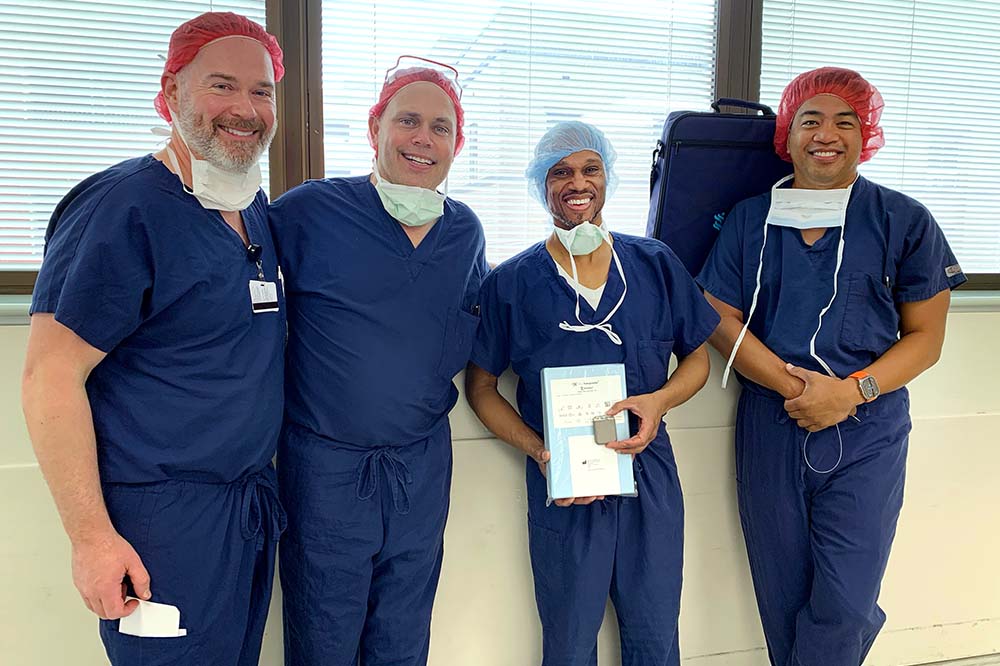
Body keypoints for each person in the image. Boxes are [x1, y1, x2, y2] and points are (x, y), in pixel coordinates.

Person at [21, 12, 286, 665]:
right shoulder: (121, 208)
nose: (245, 108)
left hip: (244, 510)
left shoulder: (253, 211)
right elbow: (49, 380)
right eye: (222, 86)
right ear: (169, 95)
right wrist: (91, 539)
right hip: (161, 523)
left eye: (262, 91)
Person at [697, 67, 967, 665]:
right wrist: (794, 386)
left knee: (846, 601)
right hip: (773, 422)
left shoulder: (904, 220)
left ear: (865, 134)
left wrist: (851, 392)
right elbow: (717, 313)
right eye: (809, 120)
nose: (826, 134)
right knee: (782, 591)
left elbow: (926, 338)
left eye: (845, 121)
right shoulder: (749, 220)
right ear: (787, 135)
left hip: (867, 428)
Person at [465, 121, 720, 665]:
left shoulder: (654, 263)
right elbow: (481, 387)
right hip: (565, 479)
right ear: (542, 184)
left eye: (589, 168)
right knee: (568, 637)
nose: (576, 182)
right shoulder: (511, 282)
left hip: (646, 469)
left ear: (607, 176)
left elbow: (697, 358)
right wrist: (539, 450)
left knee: (655, 633)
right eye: (560, 172)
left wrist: (659, 402)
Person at [269, 57, 488, 665]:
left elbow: (472, 322)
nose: (423, 138)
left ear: (456, 144)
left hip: (420, 467)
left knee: (403, 631)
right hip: (327, 470)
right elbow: (232, 270)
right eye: (408, 120)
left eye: (440, 128)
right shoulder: (311, 211)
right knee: (324, 632)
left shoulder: (465, 232)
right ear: (375, 128)